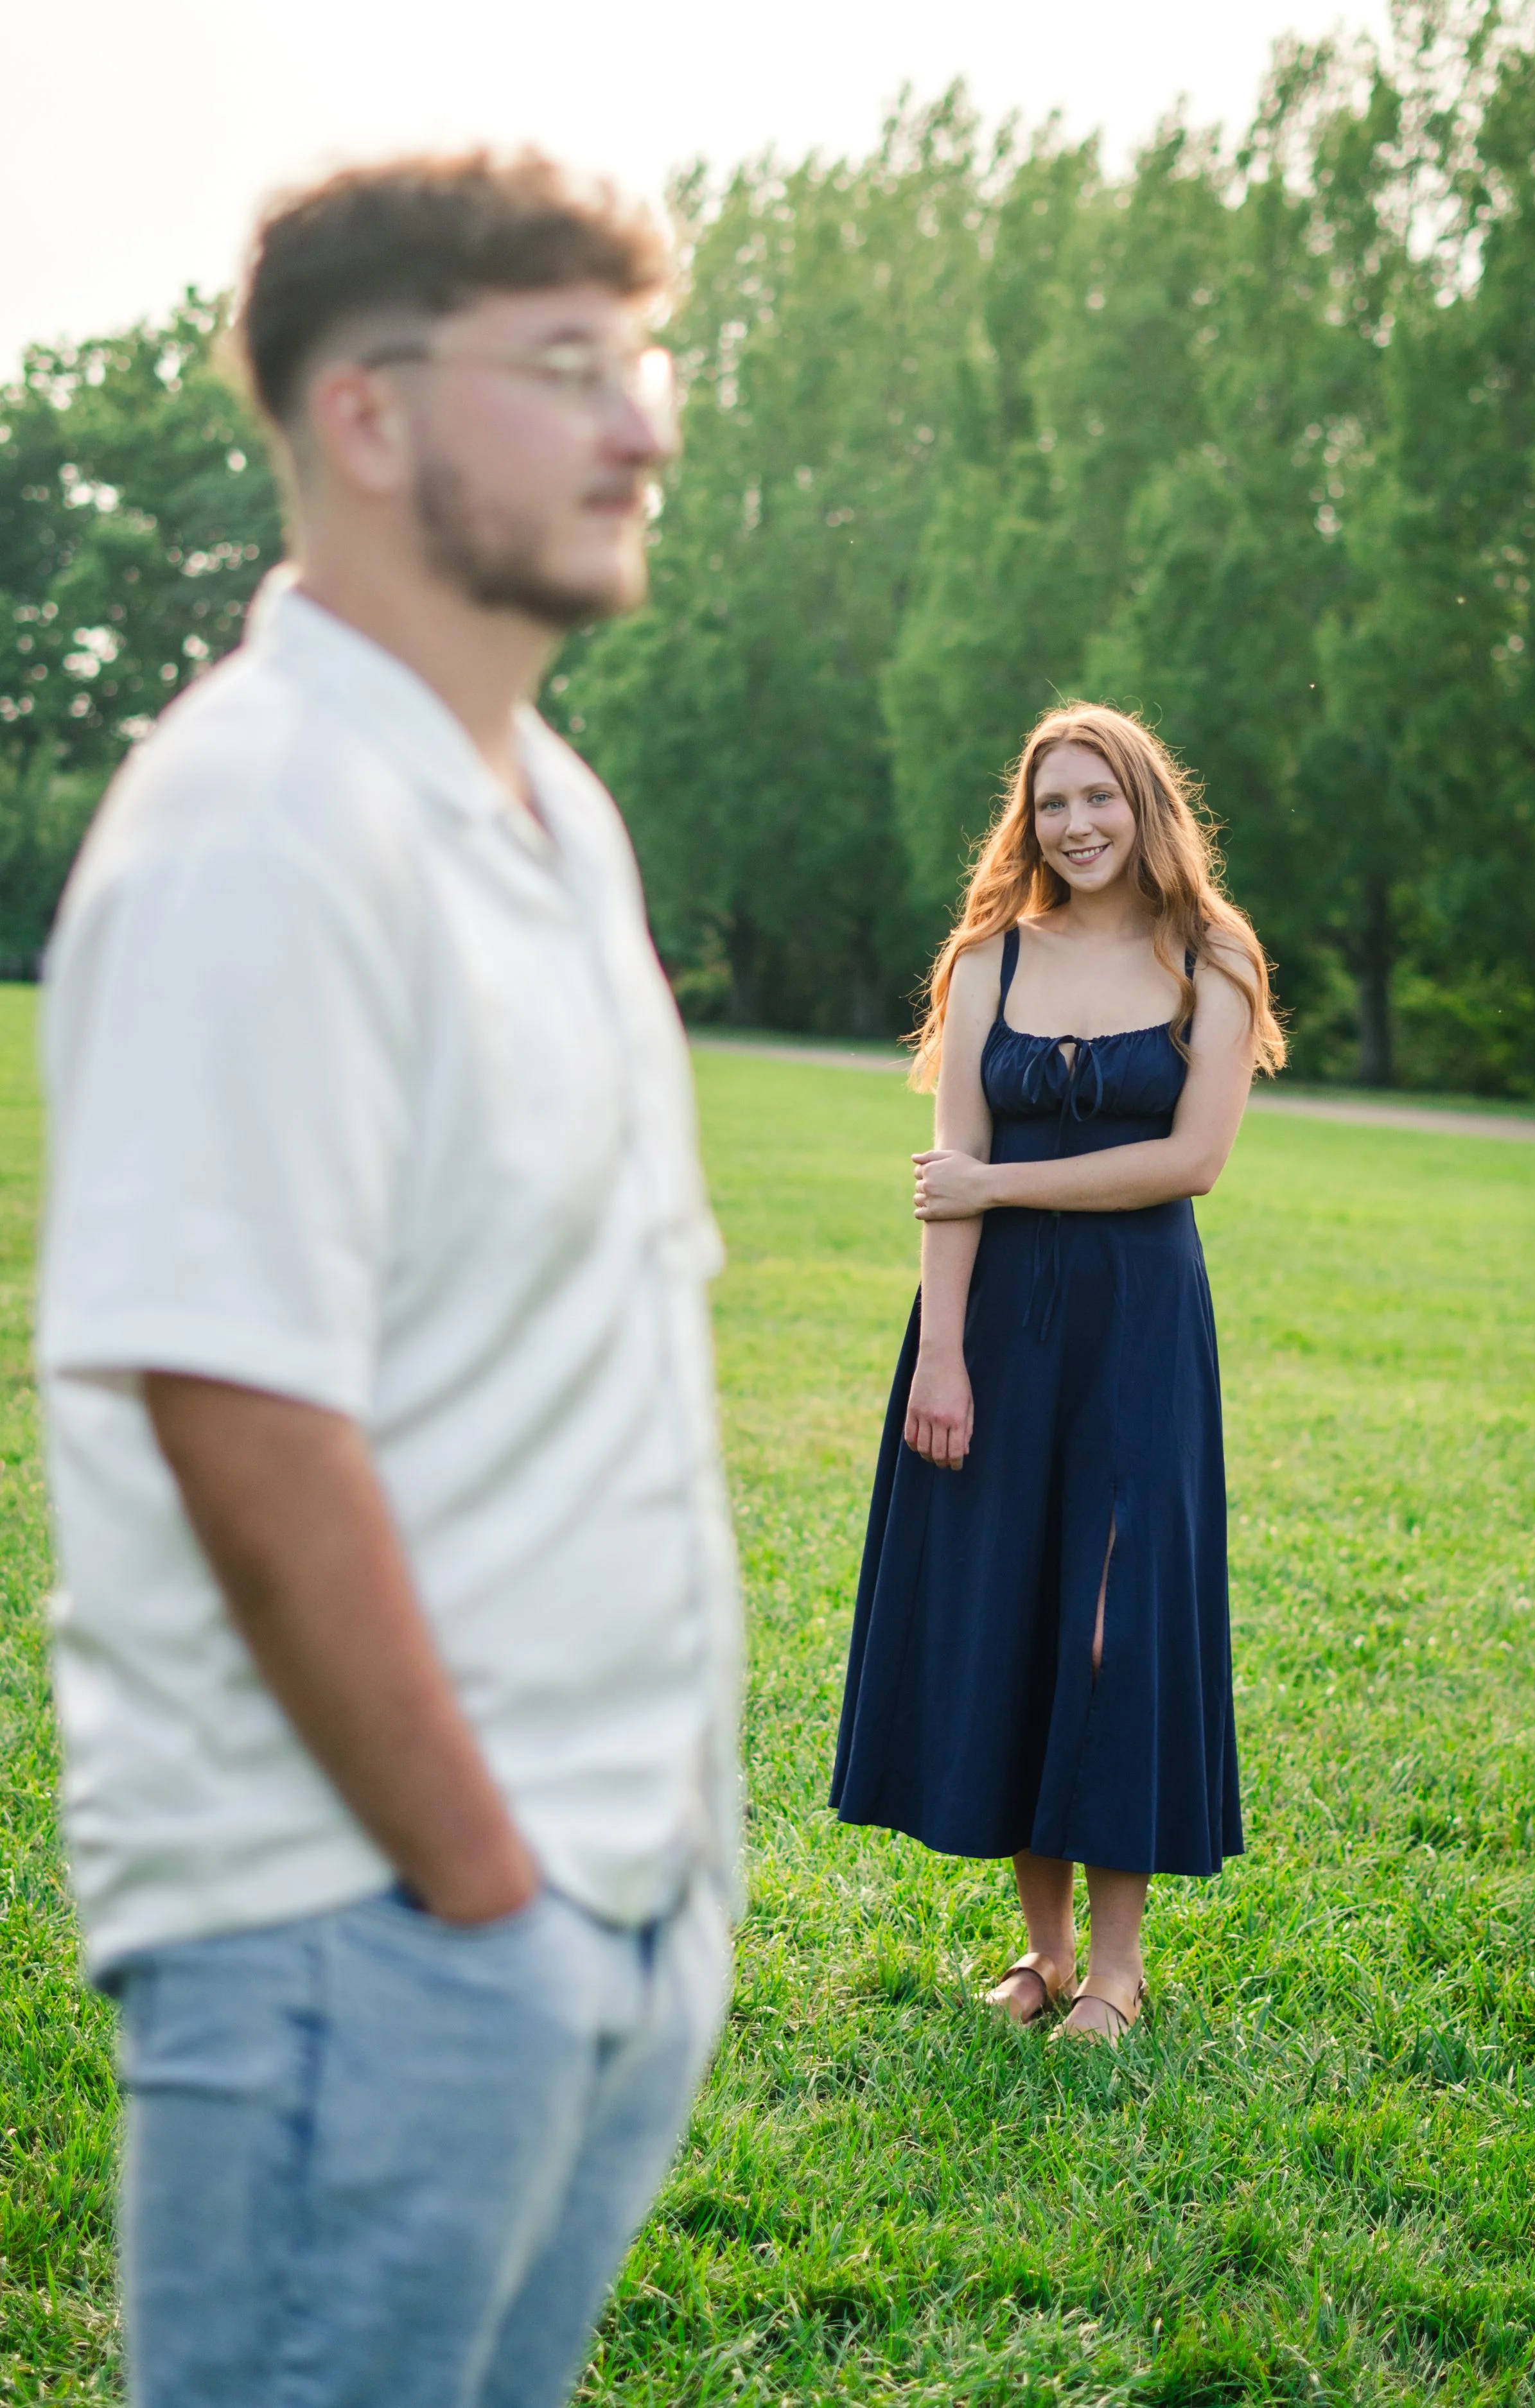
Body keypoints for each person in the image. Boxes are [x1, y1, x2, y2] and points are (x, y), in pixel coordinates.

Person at [37, 152, 741, 2408]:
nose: (644, 426)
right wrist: (480, 1894)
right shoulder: (263, 819)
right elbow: (236, 1403)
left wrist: (634, 1896)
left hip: (602, 1902)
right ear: (363, 415)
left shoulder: (549, 803)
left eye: (644, 364)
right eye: (568, 369)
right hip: (367, 1939)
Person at [830, 703, 1284, 2040]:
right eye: (1050, 805)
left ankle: (1118, 1973)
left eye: (1098, 798)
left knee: (1111, 1629)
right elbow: (944, 1185)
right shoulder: (988, 958)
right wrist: (944, 1359)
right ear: (1024, 822)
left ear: (1148, 805)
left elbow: (1189, 1161)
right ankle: (1038, 1958)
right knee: (1017, 1615)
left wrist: (1001, 1181)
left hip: (1139, 1331)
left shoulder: (1212, 954)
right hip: (992, 1335)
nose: (1075, 825)